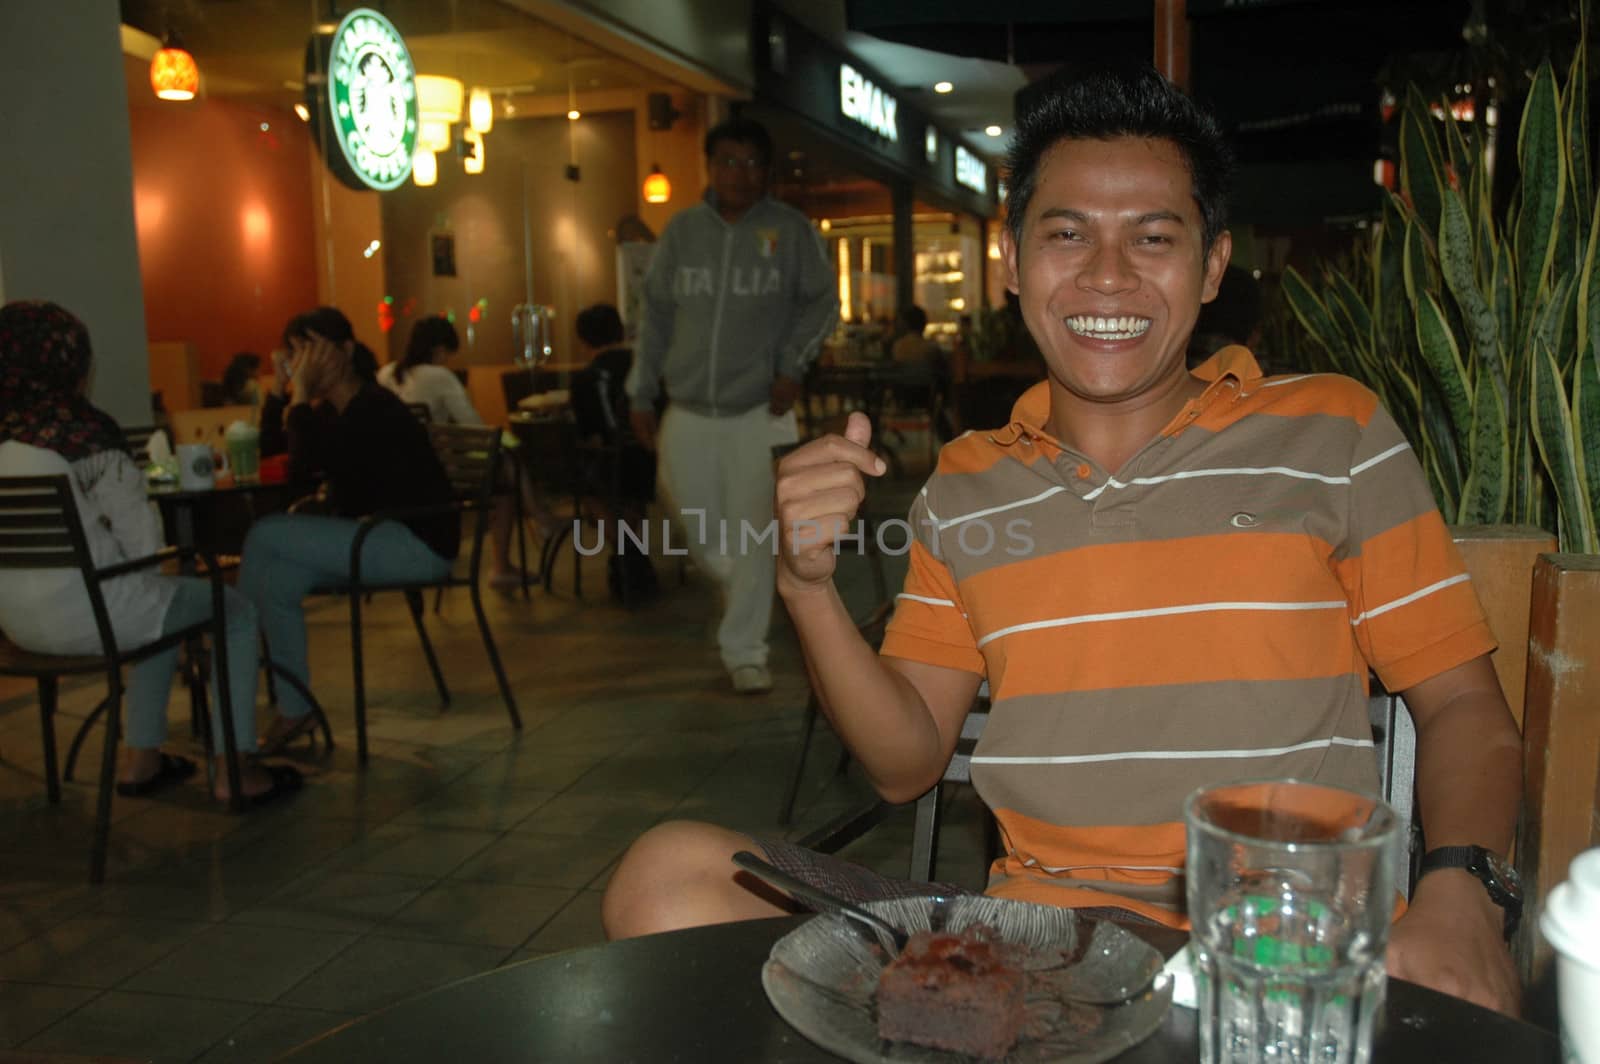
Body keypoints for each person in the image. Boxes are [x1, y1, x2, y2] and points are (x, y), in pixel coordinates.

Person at [601, 64, 1524, 1017]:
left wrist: (1463, 889)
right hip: (1032, 964)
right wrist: (805, 586)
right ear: (1010, 261)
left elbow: (1462, 705)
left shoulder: (1334, 433)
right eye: (1068, 233)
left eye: (1153, 237)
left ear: (1212, 266)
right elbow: (906, 760)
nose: (1107, 275)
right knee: (666, 877)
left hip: (1274, 954)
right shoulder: (966, 482)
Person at [0, 301, 300, 804]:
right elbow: (145, 546)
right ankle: (234, 770)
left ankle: (143, 759)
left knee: (161, 609)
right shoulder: (84, 433)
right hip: (94, 616)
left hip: (18, 626)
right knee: (234, 612)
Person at [625, 117, 839, 693]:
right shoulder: (682, 232)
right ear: (710, 167)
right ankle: (742, 577)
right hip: (687, 407)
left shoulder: (790, 232)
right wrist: (640, 391)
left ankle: (746, 651)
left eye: (750, 163)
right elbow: (656, 317)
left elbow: (822, 304)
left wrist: (792, 366)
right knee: (689, 515)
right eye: (727, 162)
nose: (738, 174)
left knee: (754, 528)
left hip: (758, 410)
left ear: (766, 171)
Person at [245, 307, 460, 753]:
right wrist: (280, 391)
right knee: (279, 580)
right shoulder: (336, 412)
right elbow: (274, 450)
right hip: (377, 536)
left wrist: (300, 396)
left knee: (265, 535)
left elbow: (306, 465)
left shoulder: (373, 407)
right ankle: (293, 707)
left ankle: (234, 680)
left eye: (312, 350)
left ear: (345, 350)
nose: (303, 363)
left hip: (415, 543)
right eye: (295, 354)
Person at [572, 303, 658, 605]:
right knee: (630, 495)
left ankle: (626, 554)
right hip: (651, 462)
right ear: (620, 331)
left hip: (613, 465)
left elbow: (591, 435)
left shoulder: (585, 378)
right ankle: (633, 557)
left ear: (582, 339)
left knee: (590, 488)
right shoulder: (644, 368)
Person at [377, 316, 482, 426]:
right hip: (426, 442)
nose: (446, 361)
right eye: (447, 354)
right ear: (439, 349)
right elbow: (471, 423)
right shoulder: (440, 376)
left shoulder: (385, 372)